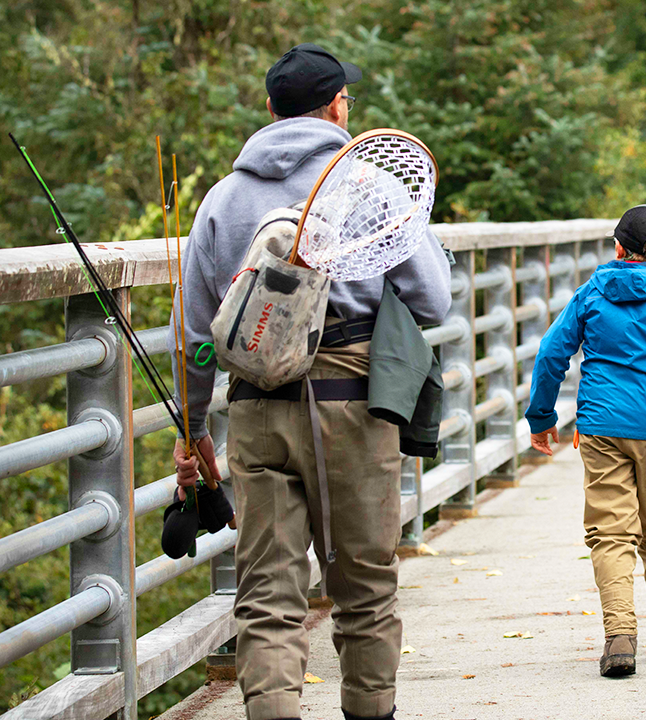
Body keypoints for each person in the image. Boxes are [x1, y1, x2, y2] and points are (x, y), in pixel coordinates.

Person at [170, 43, 452, 720]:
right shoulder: (374, 186)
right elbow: (434, 302)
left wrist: (194, 431)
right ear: (336, 106)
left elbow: (194, 336)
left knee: (267, 595)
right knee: (365, 586)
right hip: (354, 404)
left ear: (270, 109)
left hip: (258, 408)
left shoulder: (223, 198)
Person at [525, 205, 646, 678]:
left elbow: (552, 351)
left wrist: (542, 415)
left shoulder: (592, 292)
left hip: (600, 427)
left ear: (617, 248)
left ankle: (619, 638)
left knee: (609, 531)